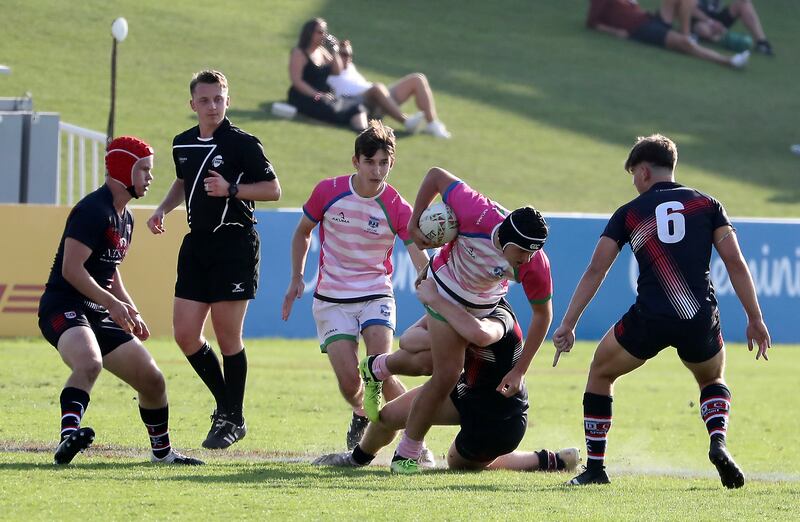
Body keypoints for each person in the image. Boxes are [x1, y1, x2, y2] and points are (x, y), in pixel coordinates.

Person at [552, 134, 771, 487]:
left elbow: (597, 268)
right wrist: (755, 318)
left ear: (642, 172)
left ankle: (596, 467)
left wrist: (568, 323)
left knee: (600, 372)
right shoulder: (707, 204)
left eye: (633, 175)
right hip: (698, 316)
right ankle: (718, 442)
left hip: (650, 316)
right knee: (712, 379)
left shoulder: (629, 213)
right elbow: (735, 261)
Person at [38, 136, 202, 466]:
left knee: (152, 379)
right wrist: (112, 304)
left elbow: (109, 271)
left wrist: (128, 307)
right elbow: (72, 270)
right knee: (88, 362)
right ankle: (68, 437)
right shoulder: (92, 210)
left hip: (98, 307)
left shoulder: (124, 217)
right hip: (64, 304)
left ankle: (162, 454)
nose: (150, 177)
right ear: (124, 169)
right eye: (144, 170)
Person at [383, 167, 553, 474]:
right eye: (524, 253)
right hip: (445, 289)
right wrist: (414, 221)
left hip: (482, 305)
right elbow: (435, 175)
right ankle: (406, 454)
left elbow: (543, 314)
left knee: (417, 350)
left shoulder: (534, 262)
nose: (527, 261)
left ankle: (378, 367)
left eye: (533, 254)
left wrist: (520, 370)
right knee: (448, 372)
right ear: (506, 238)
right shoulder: (475, 210)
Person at [314, 278, 580, 473]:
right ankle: (355, 460)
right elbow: (408, 340)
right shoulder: (457, 306)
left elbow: (480, 335)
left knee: (458, 462)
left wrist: (437, 302)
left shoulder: (500, 318)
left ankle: (551, 460)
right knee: (387, 417)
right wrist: (441, 317)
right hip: (463, 392)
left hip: (499, 414)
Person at [147, 70, 281, 450]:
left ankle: (230, 418)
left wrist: (232, 189)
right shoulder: (182, 144)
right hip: (196, 245)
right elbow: (183, 180)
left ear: (227, 100)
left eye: (218, 99)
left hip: (234, 243)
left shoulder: (242, 143)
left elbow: (273, 189)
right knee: (185, 334)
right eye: (204, 100)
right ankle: (228, 408)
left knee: (227, 336)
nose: (211, 106)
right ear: (192, 104)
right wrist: (162, 209)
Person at [282, 120, 429, 451]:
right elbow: (303, 232)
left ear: (392, 163)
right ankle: (362, 412)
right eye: (370, 162)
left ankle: (414, 442)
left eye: (384, 163)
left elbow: (415, 250)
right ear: (355, 162)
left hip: (376, 292)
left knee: (381, 368)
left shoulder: (396, 206)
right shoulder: (328, 191)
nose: (377, 171)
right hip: (332, 298)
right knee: (351, 383)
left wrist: (428, 281)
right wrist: (296, 277)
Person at [327, 40, 451, 139]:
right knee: (377, 87)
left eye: (349, 55)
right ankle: (407, 122)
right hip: (359, 103)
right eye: (343, 55)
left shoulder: (350, 67)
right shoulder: (330, 71)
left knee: (418, 79)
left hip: (378, 97)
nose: (347, 58)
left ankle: (432, 123)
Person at [586, 0, 751, 69]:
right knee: (684, 44)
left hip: (650, 19)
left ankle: (687, 33)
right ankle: (728, 61)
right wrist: (615, 32)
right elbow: (592, 22)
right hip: (641, 30)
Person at [287, 18, 368, 132]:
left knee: (357, 105)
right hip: (307, 97)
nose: (323, 35)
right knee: (351, 109)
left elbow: (337, 71)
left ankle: (364, 133)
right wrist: (318, 95)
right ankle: (364, 135)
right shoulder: (299, 53)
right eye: (319, 32)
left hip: (324, 97)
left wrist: (335, 51)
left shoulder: (321, 51)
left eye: (325, 32)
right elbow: (297, 81)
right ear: (309, 33)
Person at [692, 0, 773, 56]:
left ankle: (761, 42)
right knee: (703, 30)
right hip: (698, 19)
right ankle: (723, 38)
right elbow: (690, 8)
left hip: (716, 18)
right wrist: (711, 22)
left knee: (744, 3)